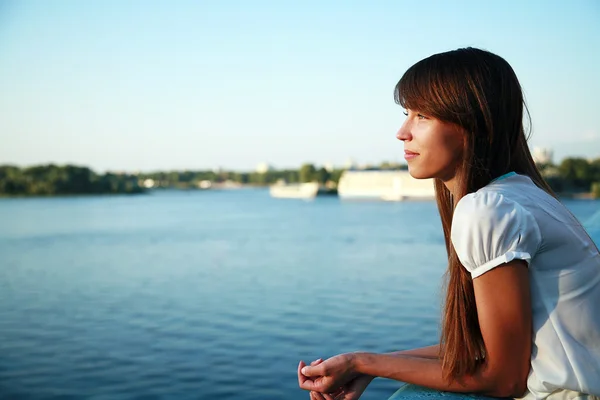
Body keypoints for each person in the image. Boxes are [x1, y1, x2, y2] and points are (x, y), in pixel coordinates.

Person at [297, 47, 600, 400]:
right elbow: (481, 349)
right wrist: (360, 364)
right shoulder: (521, 194)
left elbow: (504, 379)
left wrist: (365, 363)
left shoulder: (487, 208)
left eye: (422, 115)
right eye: (406, 113)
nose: (402, 131)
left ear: (472, 123)